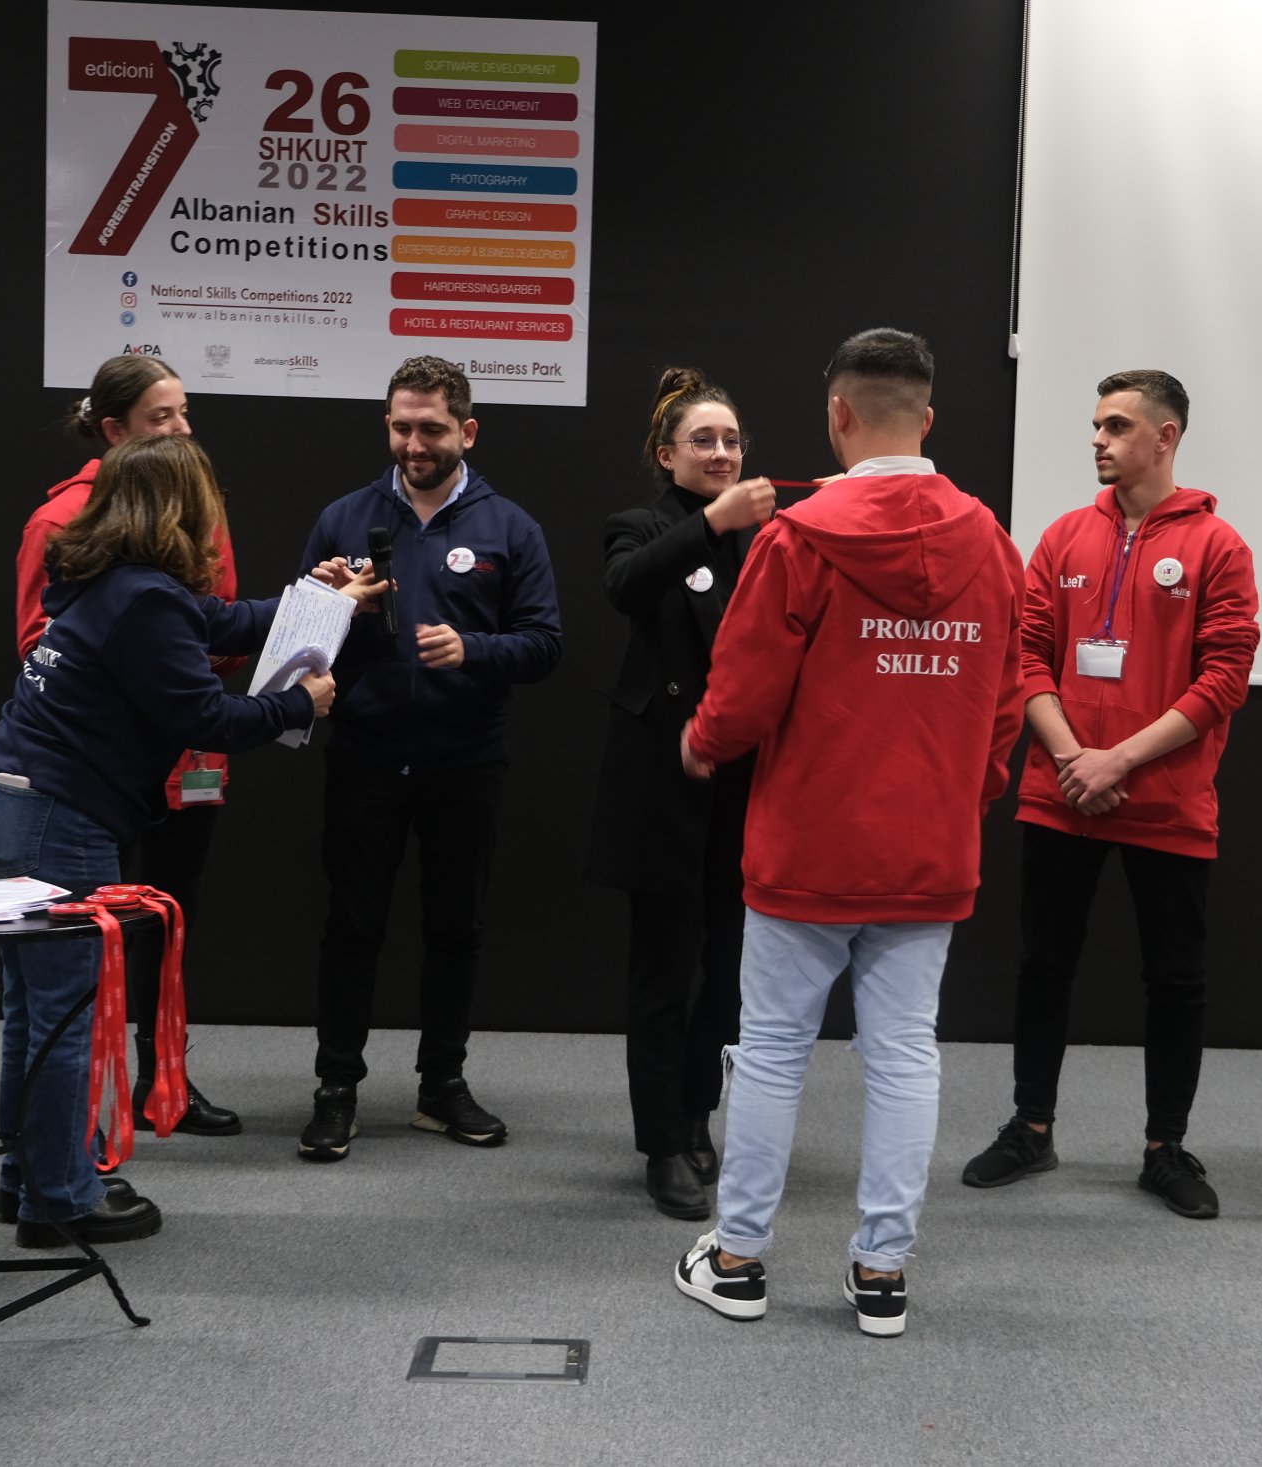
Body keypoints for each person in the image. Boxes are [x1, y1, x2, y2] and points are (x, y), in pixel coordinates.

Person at [669, 328, 1025, 1338]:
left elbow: (742, 690)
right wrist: (970, 793)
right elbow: (1006, 699)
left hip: (809, 847)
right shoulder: (992, 543)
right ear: (928, 417)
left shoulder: (799, 539)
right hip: (928, 846)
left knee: (773, 1053)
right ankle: (882, 1273)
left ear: (838, 415)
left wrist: (703, 741)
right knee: (905, 1056)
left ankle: (738, 1259)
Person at [0, 434, 357, 1247]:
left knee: (33, 1014)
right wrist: (302, 703)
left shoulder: (108, 577)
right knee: (67, 1019)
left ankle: (29, 1179)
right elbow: (205, 718)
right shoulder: (145, 598)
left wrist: (325, 601)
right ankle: (60, 1200)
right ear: (184, 507)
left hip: (1, 795)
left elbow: (223, 619)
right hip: (56, 817)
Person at [959, 371, 1258, 1218]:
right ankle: (1032, 1126)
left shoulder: (1219, 546)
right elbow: (1026, 656)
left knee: (1175, 978)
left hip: (1167, 801)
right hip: (1062, 792)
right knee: (1043, 963)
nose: (1098, 438)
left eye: (1117, 425)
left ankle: (1166, 1147)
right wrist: (1072, 758)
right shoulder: (1061, 537)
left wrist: (1116, 760)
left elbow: (1224, 678)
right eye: (1096, 425)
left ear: (1166, 437)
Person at [293, 356, 562, 1162]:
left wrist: (473, 648)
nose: (415, 444)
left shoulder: (511, 528)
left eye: (432, 429)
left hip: (465, 760)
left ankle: (441, 1086)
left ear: (466, 431)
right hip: (367, 754)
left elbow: (545, 643)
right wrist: (328, 599)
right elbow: (298, 644)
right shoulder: (344, 518)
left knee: (456, 927)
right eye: (402, 427)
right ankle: (336, 1089)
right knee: (351, 926)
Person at [17, 354, 240, 1136]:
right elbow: (40, 643)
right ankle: (83, 1121)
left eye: (184, 412)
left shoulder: (191, 502)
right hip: (100, 767)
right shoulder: (63, 520)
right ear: (114, 431)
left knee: (171, 916)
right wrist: (164, 672)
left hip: (187, 760)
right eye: (161, 417)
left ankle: (162, 1080)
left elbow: (217, 618)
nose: (182, 429)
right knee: (85, 944)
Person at [583, 367, 776, 1220]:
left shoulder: (767, 540)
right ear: (667, 455)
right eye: (704, 439)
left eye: (732, 440)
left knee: (727, 970)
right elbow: (627, 586)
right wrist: (710, 523)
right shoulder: (644, 526)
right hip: (665, 780)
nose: (722, 452)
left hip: (745, 782)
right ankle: (662, 1144)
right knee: (663, 971)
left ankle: (697, 1115)